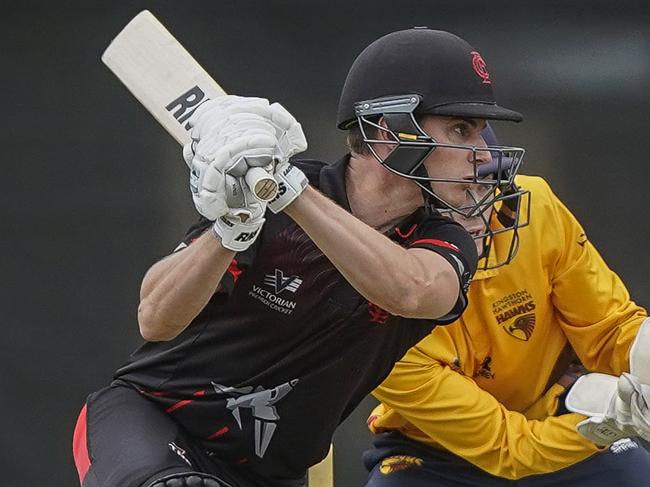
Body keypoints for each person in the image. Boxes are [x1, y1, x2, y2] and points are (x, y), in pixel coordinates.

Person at [72, 28, 525, 487]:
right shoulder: (262, 204)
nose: (483, 153)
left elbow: (412, 290)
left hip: (273, 474)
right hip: (153, 425)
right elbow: (155, 319)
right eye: (460, 129)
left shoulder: (442, 238)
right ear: (390, 131)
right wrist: (231, 229)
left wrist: (285, 188)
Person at [362, 125, 650, 485]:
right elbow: (505, 447)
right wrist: (609, 423)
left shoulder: (535, 207)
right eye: (451, 192)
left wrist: (645, 357)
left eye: (483, 184)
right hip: (435, 454)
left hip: (551, 415)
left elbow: (608, 329)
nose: (474, 207)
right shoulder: (373, 303)